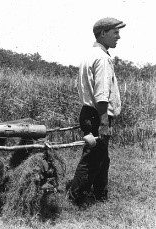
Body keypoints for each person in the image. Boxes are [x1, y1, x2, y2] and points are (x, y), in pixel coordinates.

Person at [67, 17, 125, 207]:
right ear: (103, 33)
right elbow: (101, 96)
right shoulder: (102, 58)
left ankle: (100, 194)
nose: (119, 37)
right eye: (115, 32)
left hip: (88, 112)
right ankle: (75, 199)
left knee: (102, 156)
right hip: (97, 114)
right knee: (92, 158)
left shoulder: (90, 54)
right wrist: (104, 123)